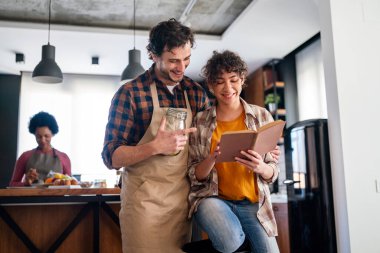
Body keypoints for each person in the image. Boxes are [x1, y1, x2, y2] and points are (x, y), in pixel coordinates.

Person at [101, 18, 210, 253]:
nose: (181, 68)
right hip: (144, 206)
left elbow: (205, 148)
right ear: (152, 54)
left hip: (183, 205)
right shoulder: (130, 94)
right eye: (173, 61)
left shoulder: (195, 93)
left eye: (186, 59)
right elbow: (111, 157)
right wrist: (154, 146)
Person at [187, 50, 280, 253]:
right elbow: (195, 175)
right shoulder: (200, 122)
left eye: (233, 80)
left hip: (254, 206)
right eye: (220, 82)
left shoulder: (261, 116)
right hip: (214, 201)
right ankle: (233, 243)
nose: (228, 88)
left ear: (242, 80)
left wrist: (261, 166)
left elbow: (273, 172)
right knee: (229, 242)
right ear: (211, 86)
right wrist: (213, 157)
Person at [9, 111, 71, 187]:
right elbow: (12, 184)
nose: (42, 140)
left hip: (56, 199)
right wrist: (26, 183)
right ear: (34, 134)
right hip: (30, 198)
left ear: (53, 134)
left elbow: (70, 185)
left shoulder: (64, 158)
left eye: (46, 136)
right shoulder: (25, 156)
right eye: (39, 136)